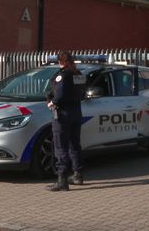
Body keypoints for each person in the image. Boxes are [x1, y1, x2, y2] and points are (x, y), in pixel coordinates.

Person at [46, 51, 85, 192]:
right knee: (75, 144)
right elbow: (82, 93)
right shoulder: (78, 74)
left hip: (63, 114)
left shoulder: (63, 75)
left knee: (60, 146)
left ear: (60, 61)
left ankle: (62, 180)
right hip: (76, 112)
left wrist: (53, 102)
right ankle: (77, 175)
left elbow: (60, 93)